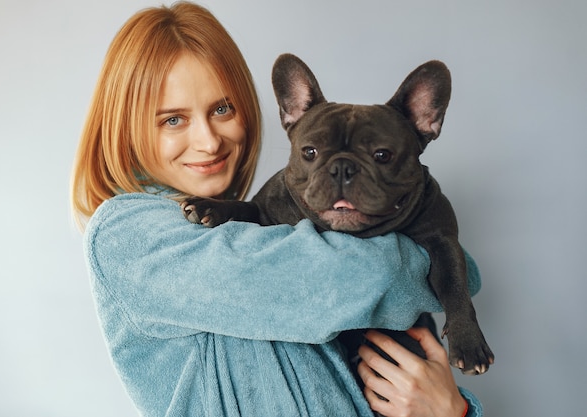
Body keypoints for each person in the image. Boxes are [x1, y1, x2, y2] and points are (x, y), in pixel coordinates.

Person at [70, 2, 483, 416]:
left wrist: (452, 412)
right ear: (126, 126)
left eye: (221, 109)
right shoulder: (129, 234)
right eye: (172, 120)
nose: (209, 141)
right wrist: (438, 260)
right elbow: (351, 280)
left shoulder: (258, 228)